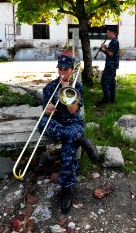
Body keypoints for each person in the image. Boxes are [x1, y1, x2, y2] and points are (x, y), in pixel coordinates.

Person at [38, 55, 98, 213]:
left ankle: (66, 188)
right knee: (43, 124)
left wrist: (65, 90)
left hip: (72, 122)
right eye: (60, 69)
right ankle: (80, 138)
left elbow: (73, 111)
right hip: (56, 122)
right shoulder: (50, 87)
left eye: (66, 69)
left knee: (69, 146)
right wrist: (47, 109)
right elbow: (46, 110)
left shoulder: (76, 86)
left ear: (72, 70)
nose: (63, 72)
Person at [98, 27, 119, 104]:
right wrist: (103, 50)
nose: (107, 34)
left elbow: (110, 53)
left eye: (108, 32)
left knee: (104, 81)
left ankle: (106, 99)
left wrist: (104, 47)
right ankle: (112, 99)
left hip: (111, 65)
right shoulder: (113, 41)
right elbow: (110, 54)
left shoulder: (114, 41)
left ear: (112, 32)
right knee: (111, 82)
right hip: (112, 65)